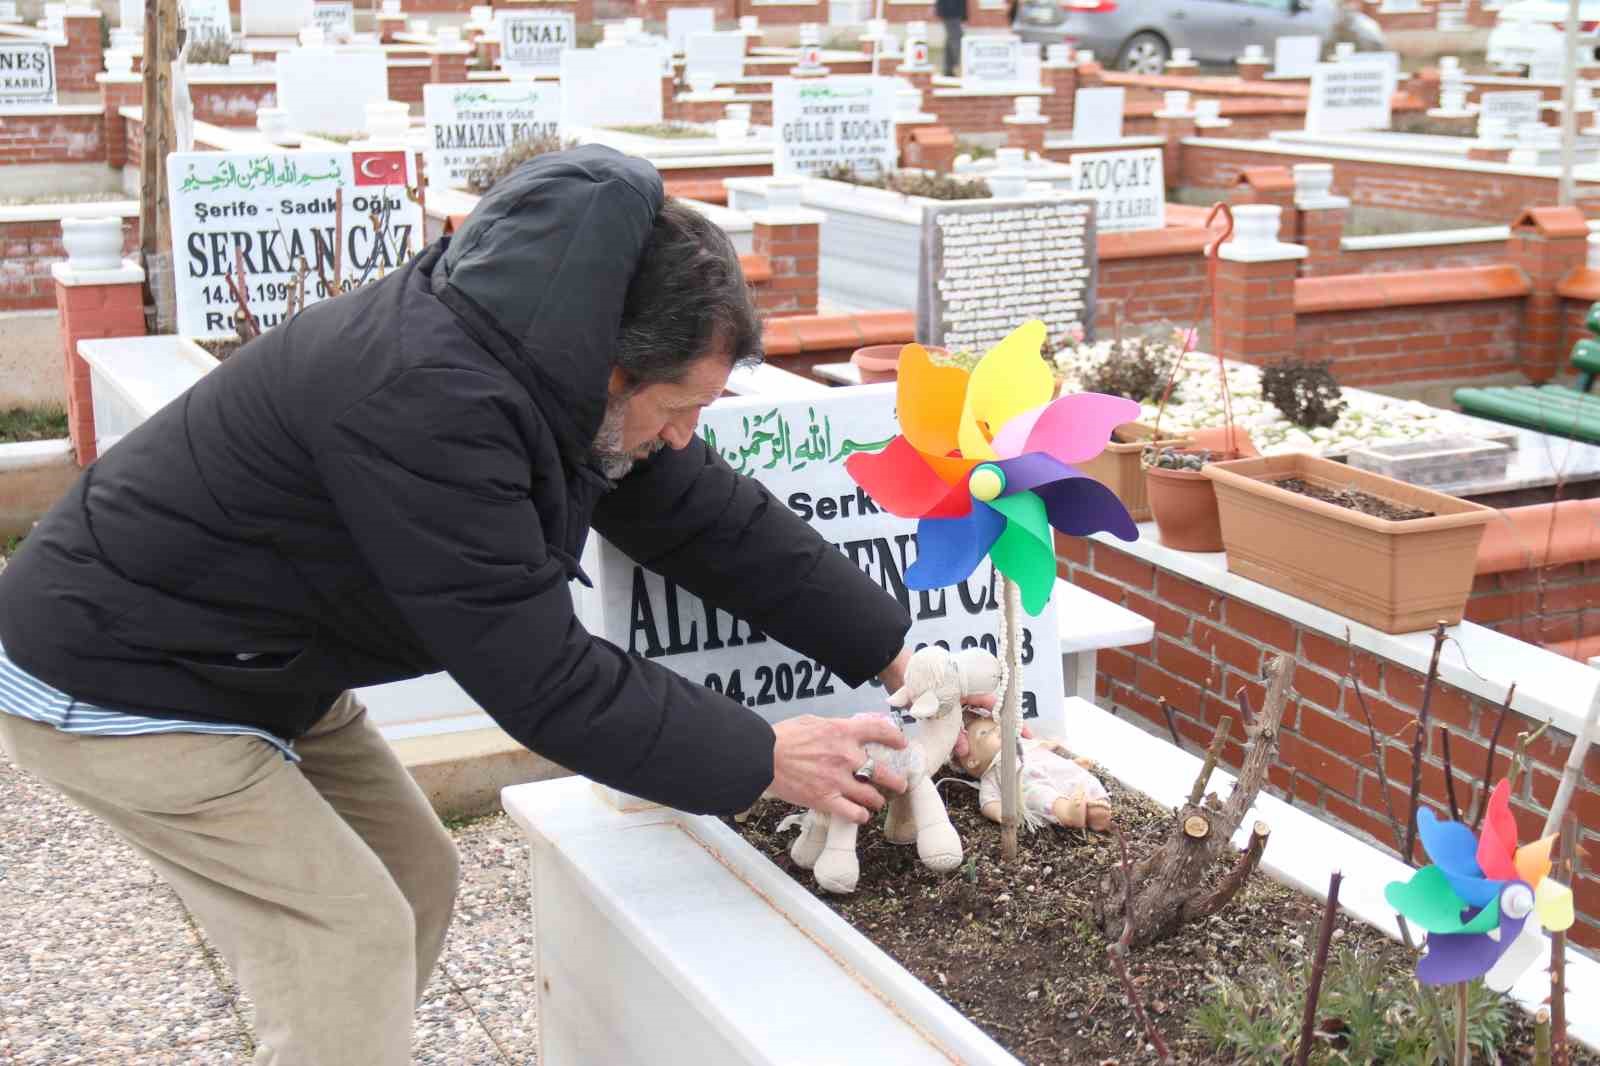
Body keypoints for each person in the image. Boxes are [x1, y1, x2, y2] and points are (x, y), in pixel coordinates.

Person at [0, 146, 923, 1065]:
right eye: (680, 407)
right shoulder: (427, 401)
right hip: (127, 675)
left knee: (416, 876)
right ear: (614, 367)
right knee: (348, 935)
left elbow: (708, 518)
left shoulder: (551, 363)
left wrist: (897, 656)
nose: (684, 435)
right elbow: (543, 680)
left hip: (260, 656)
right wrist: (763, 754)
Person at [937, 0, 967, 77]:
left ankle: (948, 69)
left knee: (950, 41)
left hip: (953, 13)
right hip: (950, 12)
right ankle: (963, 68)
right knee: (957, 41)